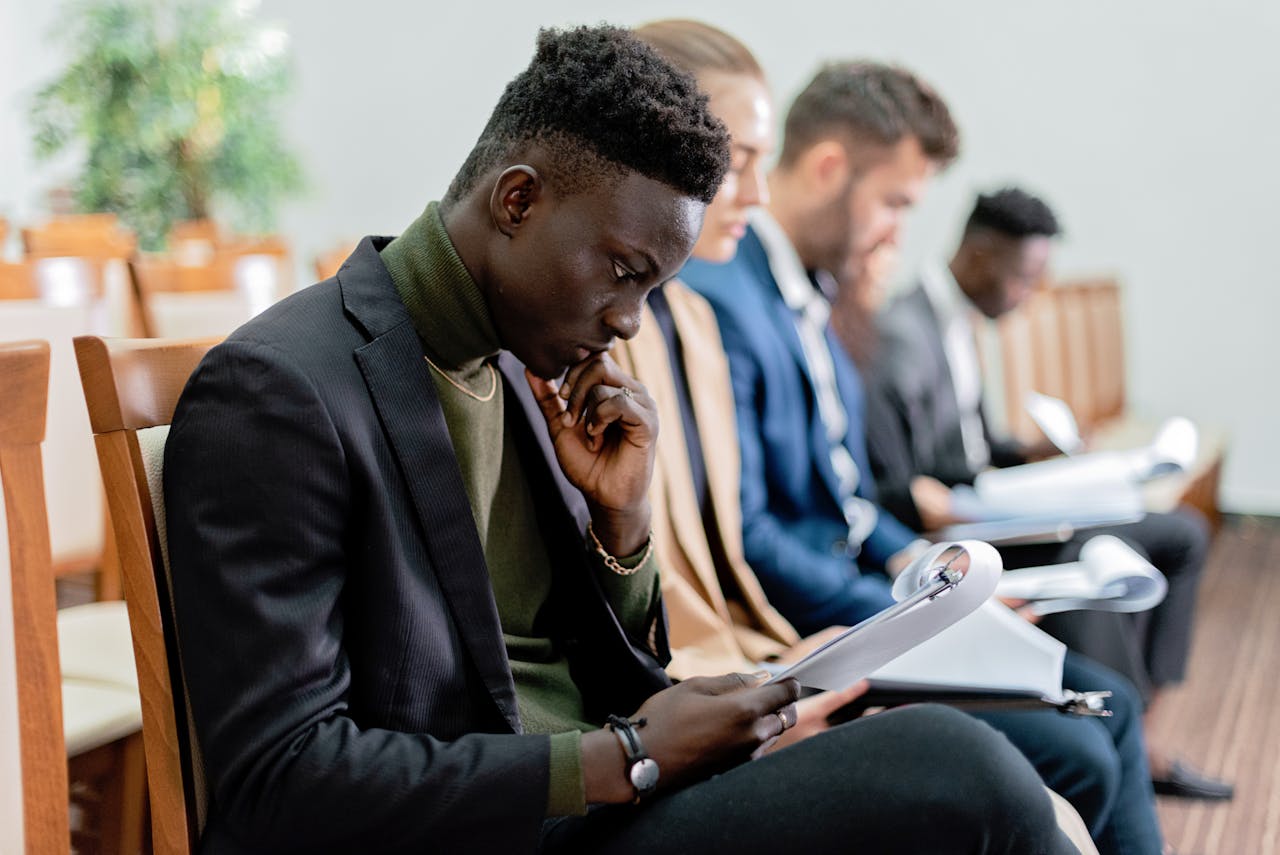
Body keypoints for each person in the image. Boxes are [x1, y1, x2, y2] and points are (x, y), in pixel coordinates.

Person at [162, 25, 1075, 854]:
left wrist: (624, 531)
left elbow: (591, 664)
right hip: (491, 829)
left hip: (593, 801)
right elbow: (279, 782)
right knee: (962, 770)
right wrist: (629, 756)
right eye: (626, 272)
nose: (634, 324)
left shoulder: (519, 357)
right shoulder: (279, 390)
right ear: (516, 200)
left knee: (975, 774)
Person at [681, 61, 1166, 854]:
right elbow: (750, 533)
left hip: (864, 595)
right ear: (832, 167)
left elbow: (848, 497)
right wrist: (896, 609)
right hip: (817, 623)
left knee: (1106, 697)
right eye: (895, 204)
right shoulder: (727, 300)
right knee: (1085, 740)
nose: (898, 235)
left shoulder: (804, 293)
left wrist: (925, 566)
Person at [864, 187, 1231, 801]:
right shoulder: (905, 333)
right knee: (1089, 549)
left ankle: (1146, 722)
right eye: (1024, 278)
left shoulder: (957, 319)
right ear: (979, 256)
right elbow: (903, 484)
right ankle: (1132, 736)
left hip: (991, 502)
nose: (1030, 295)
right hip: (956, 532)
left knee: (1179, 534)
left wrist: (1033, 456)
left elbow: (968, 446)